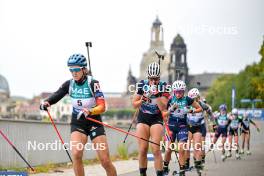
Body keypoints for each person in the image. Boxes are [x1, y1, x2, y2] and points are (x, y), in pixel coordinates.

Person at [40, 54, 117, 176]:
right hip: (78, 122)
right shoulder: (69, 84)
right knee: (76, 154)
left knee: (105, 161)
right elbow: (57, 94)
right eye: (71, 70)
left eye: (76, 70)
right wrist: (47, 102)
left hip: (94, 121)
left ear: (83, 69)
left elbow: (102, 107)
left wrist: (90, 111)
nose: (73, 73)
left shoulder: (93, 83)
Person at [132, 62, 169, 176]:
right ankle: (143, 173)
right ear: (148, 77)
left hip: (156, 118)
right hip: (143, 117)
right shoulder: (142, 85)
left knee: (155, 149)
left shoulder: (164, 86)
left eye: (156, 79)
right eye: (151, 79)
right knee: (143, 149)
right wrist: (142, 99)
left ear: (159, 77)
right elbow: (134, 104)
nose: (153, 81)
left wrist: (157, 95)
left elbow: (163, 107)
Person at [162, 81, 202, 176]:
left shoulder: (187, 99)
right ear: (174, 91)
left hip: (182, 127)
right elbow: (163, 114)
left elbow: (199, 108)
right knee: (168, 149)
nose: (178, 93)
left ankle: (182, 170)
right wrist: (170, 110)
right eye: (176, 92)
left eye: (180, 91)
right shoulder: (170, 99)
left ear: (184, 91)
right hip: (171, 127)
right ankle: (165, 167)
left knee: (181, 148)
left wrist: (191, 110)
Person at [186, 88, 212, 169]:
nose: (196, 100)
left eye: (197, 98)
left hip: (200, 126)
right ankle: (187, 164)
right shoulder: (187, 104)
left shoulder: (202, 104)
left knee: (199, 145)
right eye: (193, 99)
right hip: (189, 126)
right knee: (187, 146)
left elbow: (210, 112)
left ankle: (200, 160)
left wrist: (213, 122)